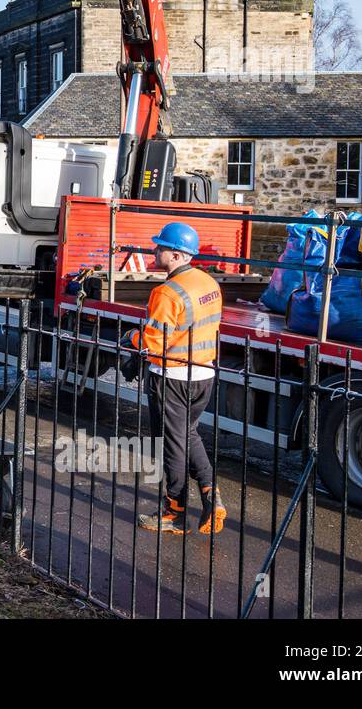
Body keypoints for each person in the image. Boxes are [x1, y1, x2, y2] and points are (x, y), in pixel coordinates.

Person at [128, 222, 227, 535]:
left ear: (174, 255)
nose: (155, 251)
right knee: (188, 434)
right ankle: (212, 494)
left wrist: (131, 336)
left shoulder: (166, 292)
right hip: (203, 373)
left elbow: (153, 342)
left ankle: (174, 512)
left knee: (171, 446)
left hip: (171, 377)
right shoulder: (208, 283)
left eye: (159, 247)